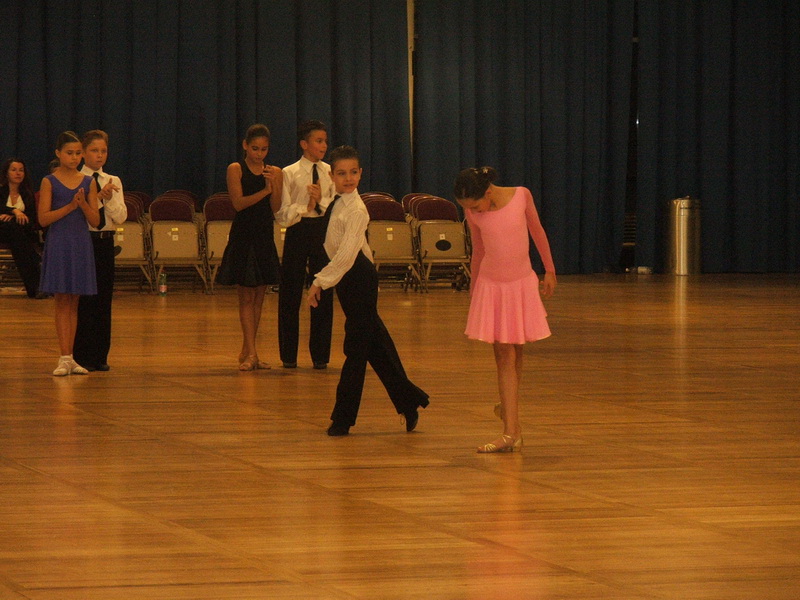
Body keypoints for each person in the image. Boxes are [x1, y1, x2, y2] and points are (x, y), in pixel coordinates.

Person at [308, 145, 429, 436]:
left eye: (353, 172)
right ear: (332, 175)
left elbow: (347, 255)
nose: (348, 178)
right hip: (347, 279)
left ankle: (343, 419)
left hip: (358, 278)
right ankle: (408, 400)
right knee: (376, 346)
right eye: (341, 173)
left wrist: (319, 281)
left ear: (361, 173)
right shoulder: (336, 200)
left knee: (356, 349)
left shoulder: (357, 209)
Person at [453, 166, 556, 453]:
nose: (473, 211)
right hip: (493, 287)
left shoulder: (521, 196)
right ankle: (510, 430)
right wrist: (474, 288)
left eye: (475, 206)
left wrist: (549, 269)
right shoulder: (473, 212)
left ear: (487, 192)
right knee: (504, 355)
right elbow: (479, 250)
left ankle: (510, 416)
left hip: (520, 284)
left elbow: (537, 231)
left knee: (515, 351)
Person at [216, 124, 283, 371]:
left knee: (259, 298)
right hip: (244, 236)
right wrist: (265, 190)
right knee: (245, 296)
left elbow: (276, 208)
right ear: (245, 145)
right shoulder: (235, 169)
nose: (259, 154)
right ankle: (251, 353)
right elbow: (239, 203)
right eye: (255, 148)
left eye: (264, 149)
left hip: (264, 235)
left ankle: (249, 351)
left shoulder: (274, 171)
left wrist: (274, 187)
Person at [38, 131, 100, 376]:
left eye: (77, 153)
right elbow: (43, 219)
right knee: (62, 300)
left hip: (80, 243)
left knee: (74, 301)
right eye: (69, 153)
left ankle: (70, 357)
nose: (74, 158)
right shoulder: (49, 181)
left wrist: (83, 205)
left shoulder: (89, 182)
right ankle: (63, 356)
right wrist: (71, 206)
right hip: (59, 243)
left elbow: (95, 221)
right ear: (58, 153)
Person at [276, 120, 335, 370]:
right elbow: (282, 213)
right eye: (318, 141)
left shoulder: (330, 171)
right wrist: (306, 206)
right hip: (298, 231)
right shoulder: (289, 173)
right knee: (290, 292)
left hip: (322, 232)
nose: (323, 145)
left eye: (325, 141)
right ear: (304, 144)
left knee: (323, 289)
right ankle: (288, 356)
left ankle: (320, 356)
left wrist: (320, 202)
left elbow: (335, 205)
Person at [73, 130, 127, 372]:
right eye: (94, 150)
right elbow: (78, 214)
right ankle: (81, 355)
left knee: (103, 299)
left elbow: (121, 217)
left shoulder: (112, 180)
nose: (99, 155)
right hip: (84, 241)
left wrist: (107, 198)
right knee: (84, 300)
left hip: (105, 242)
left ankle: (100, 355)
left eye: (103, 151)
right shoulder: (77, 179)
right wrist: (96, 198)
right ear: (83, 153)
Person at [0, 158, 44, 298]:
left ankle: (35, 289)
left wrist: (12, 216)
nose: (18, 173)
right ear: (6, 173)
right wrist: (15, 211)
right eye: (14, 170)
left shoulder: (27, 194)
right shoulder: (1, 191)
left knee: (17, 237)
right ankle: (36, 284)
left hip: (21, 233)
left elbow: (31, 219)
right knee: (13, 230)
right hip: (3, 230)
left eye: (21, 170)